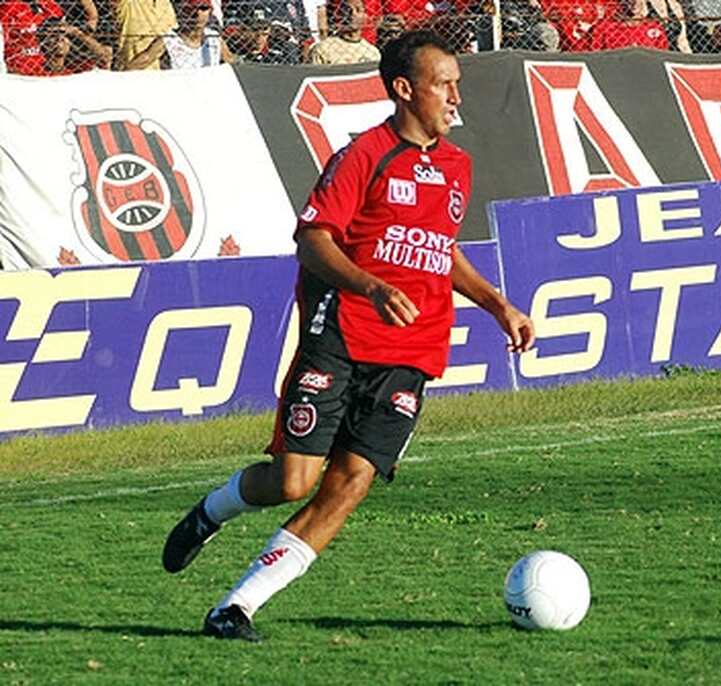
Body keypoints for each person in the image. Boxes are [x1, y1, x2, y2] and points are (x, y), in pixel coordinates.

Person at [162, 29, 536, 642]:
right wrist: (371, 287)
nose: (454, 97)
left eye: (457, 85)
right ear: (404, 89)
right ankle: (212, 511)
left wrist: (499, 305)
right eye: (444, 85)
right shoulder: (364, 156)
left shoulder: (457, 166)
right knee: (293, 481)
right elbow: (311, 241)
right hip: (340, 334)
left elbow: (441, 252)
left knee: (350, 482)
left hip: (411, 354)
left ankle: (236, 607)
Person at [124, 0, 231, 68]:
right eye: (192, 9)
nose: (198, 14)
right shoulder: (170, 39)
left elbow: (231, 62)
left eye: (203, 8)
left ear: (210, 12)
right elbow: (144, 60)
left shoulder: (214, 38)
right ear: (184, 11)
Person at [307, 0, 379, 64]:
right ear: (340, 15)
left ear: (365, 17)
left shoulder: (373, 52)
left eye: (358, 10)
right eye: (347, 10)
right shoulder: (323, 49)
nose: (352, 14)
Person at [37, 14, 111, 72]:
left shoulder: (76, 68)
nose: (60, 38)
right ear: (43, 42)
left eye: (64, 34)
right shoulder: (36, 70)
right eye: (53, 35)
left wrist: (77, 33)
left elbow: (105, 56)